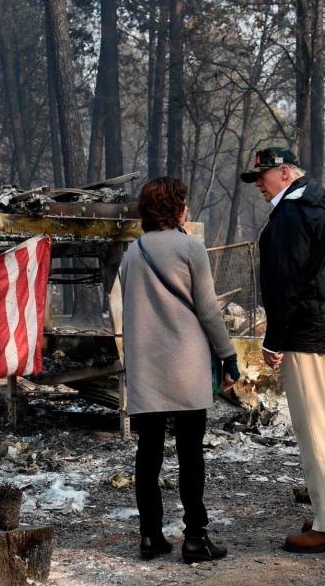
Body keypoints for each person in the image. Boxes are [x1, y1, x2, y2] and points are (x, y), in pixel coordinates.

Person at [241, 147, 325, 553]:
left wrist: (274, 339)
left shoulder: (289, 216)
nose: (259, 184)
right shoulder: (323, 201)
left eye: (262, 176)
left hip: (306, 330)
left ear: (283, 172)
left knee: (314, 426)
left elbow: (284, 285)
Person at [118, 177, 240, 563]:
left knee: (148, 453)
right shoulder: (191, 248)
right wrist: (228, 354)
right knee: (190, 453)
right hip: (186, 365)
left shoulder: (131, 254)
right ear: (176, 208)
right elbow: (207, 309)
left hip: (145, 368)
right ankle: (194, 538)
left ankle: (150, 536)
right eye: (183, 202)